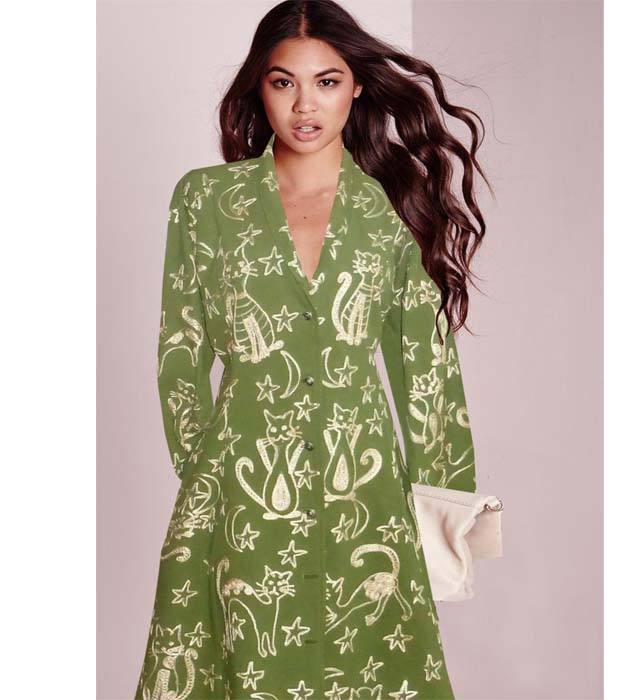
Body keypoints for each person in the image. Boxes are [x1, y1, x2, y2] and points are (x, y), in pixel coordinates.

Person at [135, 1, 492, 698]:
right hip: (238, 488)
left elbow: (426, 368)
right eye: (283, 82)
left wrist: (442, 506)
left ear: (356, 87)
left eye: (326, 82)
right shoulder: (206, 201)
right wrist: (206, 481)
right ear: (259, 88)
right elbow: (180, 350)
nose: (305, 105)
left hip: (362, 490)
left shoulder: (394, 204)